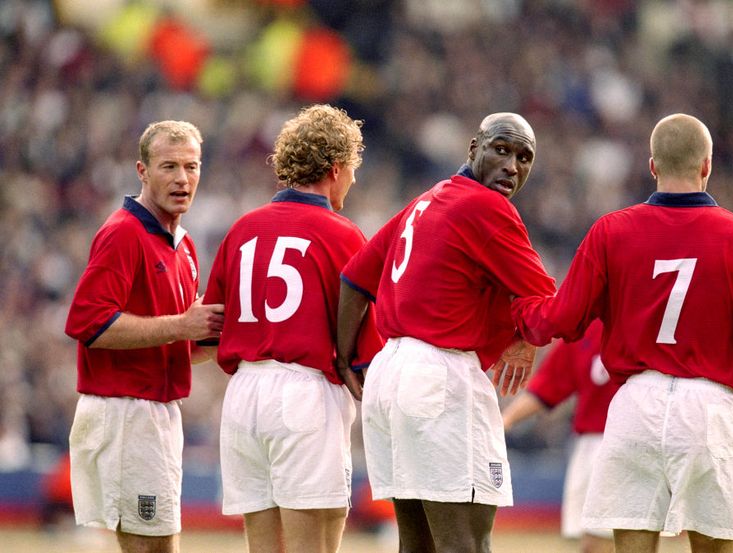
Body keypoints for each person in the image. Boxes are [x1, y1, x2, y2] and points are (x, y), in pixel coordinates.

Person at [511, 113, 733, 553]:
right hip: (711, 409)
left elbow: (563, 318)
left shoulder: (610, 230)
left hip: (635, 406)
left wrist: (518, 315)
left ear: (652, 165)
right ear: (707, 165)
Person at [336, 112, 557, 553]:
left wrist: (346, 360)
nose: (512, 166)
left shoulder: (427, 199)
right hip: (442, 376)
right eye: (501, 149)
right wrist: (526, 337)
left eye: (524, 156)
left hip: (390, 374)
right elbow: (547, 302)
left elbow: (355, 279)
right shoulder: (488, 207)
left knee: (416, 544)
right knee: (467, 544)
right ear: (473, 148)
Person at [202, 104, 382, 553]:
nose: (354, 181)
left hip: (243, 397)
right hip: (304, 395)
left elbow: (213, 324)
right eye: (353, 170)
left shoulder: (242, 229)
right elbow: (364, 345)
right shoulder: (343, 235)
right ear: (336, 168)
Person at [64, 120, 225, 553]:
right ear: (142, 171)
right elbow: (89, 325)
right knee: (152, 547)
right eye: (168, 166)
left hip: (155, 413)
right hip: (125, 414)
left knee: (159, 545)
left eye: (191, 167)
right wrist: (181, 325)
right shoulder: (123, 233)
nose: (182, 178)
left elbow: (181, 346)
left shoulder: (183, 245)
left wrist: (231, 338)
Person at [501, 319, 617, 553]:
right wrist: (505, 420)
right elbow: (547, 387)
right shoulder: (584, 332)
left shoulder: (647, 321)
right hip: (591, 445)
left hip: (630, 441)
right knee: (591, 542)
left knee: (619, 539)